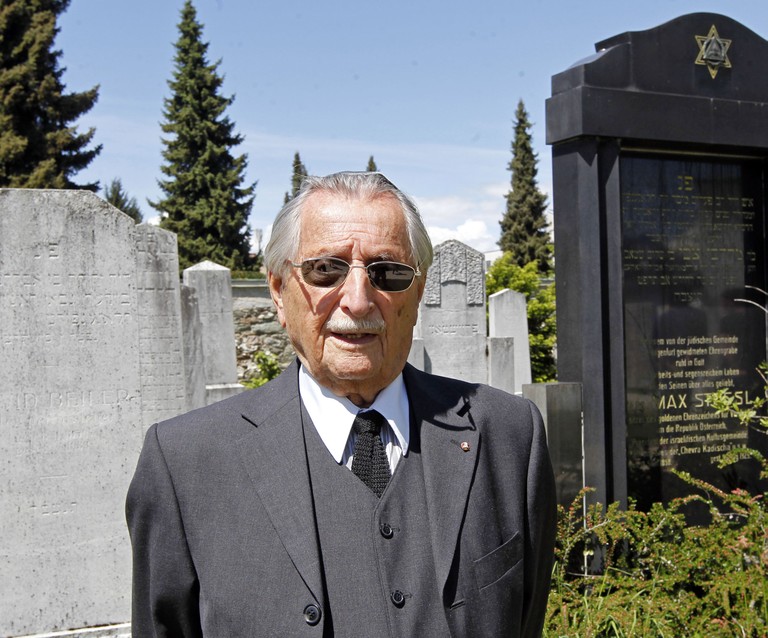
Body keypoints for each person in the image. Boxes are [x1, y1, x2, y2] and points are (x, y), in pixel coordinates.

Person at [126, 171, 557, 637]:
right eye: (325, 270)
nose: (357, 300)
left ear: (416, 293)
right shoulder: (185, 463)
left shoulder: (509, 435)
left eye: (387, 273)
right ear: (277, 291)